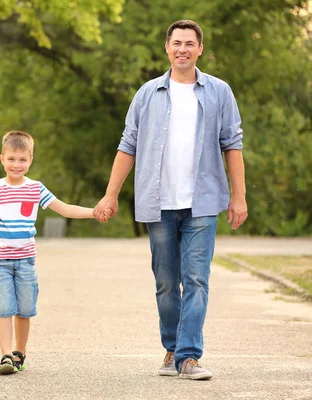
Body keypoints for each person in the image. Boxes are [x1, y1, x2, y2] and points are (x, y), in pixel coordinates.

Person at [94, 20, 247, 380]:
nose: (182, 49)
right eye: (176, 43)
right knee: (165, 281)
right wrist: (111, 193)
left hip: (203, 203)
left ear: (200, 49)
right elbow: (127, 145)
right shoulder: (147, 93)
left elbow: (233, 144)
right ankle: (172, 348)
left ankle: (189, 356)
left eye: (189, 43)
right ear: (167, 48)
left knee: (196, 279)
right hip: (158, 202)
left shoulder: (219, 92)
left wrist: (238, 197)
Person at [0, 131, 98, 374]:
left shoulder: (36, 188)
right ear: (2, 159)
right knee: (3, 308)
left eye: (22, 160)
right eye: (11, 159)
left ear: (30, 160)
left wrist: (95, 211)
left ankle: (20, 353)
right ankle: (6, 357)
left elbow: (65, 209)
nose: (16, 165)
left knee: (25, 309)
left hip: (26, 261)